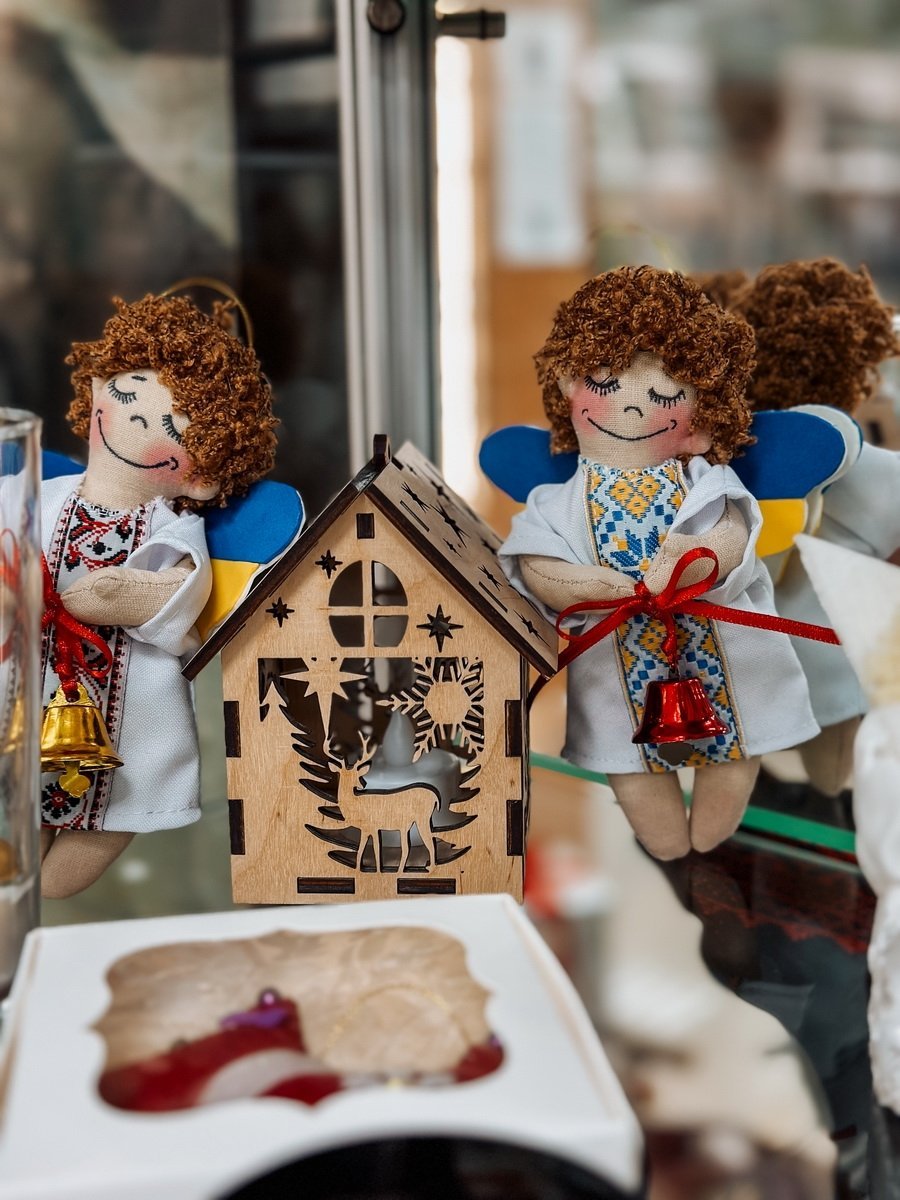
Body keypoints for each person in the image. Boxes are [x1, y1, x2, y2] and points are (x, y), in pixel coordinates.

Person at [500, 266, 818, 859]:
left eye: (665, 396)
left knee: (735, 737)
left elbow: (731, 534)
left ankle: (711, 830)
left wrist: (692, 563)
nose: (630, 406)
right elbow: (534, 562)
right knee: (628, 749)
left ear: (700, 425)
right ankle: (667, 840)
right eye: (605, 383)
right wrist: (581, 584)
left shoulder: (707, 482)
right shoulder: (554, 503)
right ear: (568, 385)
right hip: (615, 661)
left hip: (722, 650)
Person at [40, 292, 276, 898]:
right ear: (97, 385)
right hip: (33, 696)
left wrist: (123, 593)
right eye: (127, 395)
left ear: (202, 476)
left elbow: (181, 597)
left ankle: (98, 827)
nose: (140, 422)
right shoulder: (42, 498)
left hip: (128, 722)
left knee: (104, 816)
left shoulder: (172, 527)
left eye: (172, 429)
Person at [730, 258, 900, 794]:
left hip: (746, 656)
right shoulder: (869, 467)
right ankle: (829, 795)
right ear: (859, 367)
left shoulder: (736, 455)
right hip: (833, 660)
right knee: (836, 775)